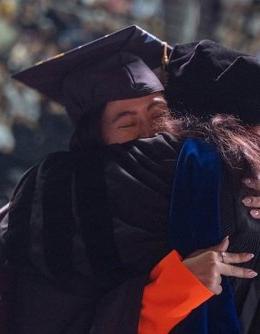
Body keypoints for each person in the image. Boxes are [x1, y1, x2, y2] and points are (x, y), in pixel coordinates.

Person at [0, 25, 259, 334]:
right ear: (94, 141)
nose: (150, 132)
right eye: (127, 124)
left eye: (159, 115)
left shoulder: (204, 178)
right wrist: (172, 288)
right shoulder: (56, 209)